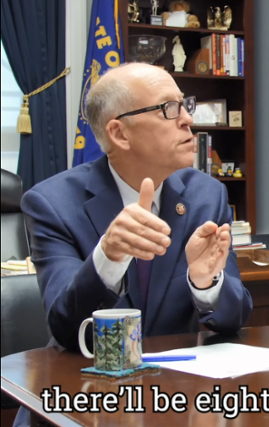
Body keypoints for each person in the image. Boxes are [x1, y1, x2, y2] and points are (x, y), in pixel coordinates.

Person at [21, 63, 253, 353]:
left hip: (177, 377)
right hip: (90, 375)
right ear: (120, 133)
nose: (187, 119)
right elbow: (66, 329)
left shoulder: (206, 195)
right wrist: (108, 257)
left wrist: (206, 284)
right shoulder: (52, 204)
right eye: (168, 108)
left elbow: (233, 320)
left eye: (184, 104)